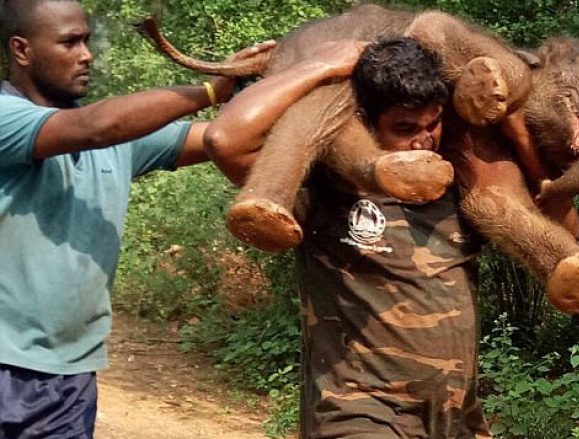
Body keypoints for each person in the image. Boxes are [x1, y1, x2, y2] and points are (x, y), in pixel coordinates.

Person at [0, 0, 364, 436]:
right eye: (70, 42)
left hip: (71, 372)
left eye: (88, 40)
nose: (86, 54)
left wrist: (296, 82)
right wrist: (209, 91)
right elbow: (99, 126)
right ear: (22, 50)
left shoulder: (119, 141)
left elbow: (222, 138)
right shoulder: (11, 119)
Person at [207, 36, 491, 437]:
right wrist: (320, 66)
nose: (424, 139)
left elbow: (562, 229)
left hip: (453, 419)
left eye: (433, 124)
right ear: (364, 121)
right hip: (358, 415)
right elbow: (225, 141)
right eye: (404, 128)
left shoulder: (459, 182)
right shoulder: (325, 186)